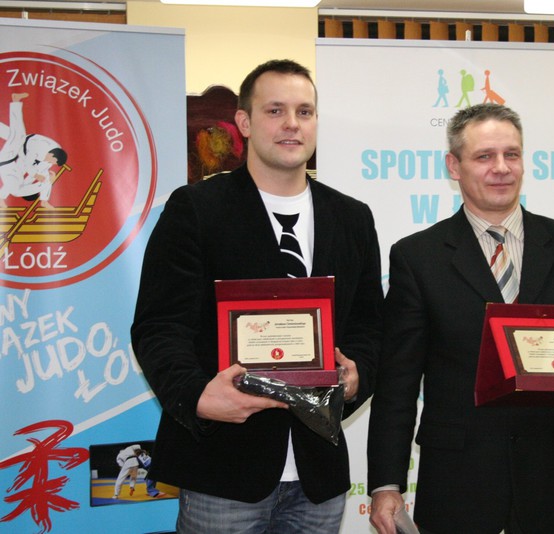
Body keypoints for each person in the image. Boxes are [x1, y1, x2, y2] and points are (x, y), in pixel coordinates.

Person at [131, 59, 383, 533]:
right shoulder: (196, 209)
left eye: (304, 112)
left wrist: (358, 375)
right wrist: (197, 396)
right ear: (244, 122)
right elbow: (159, 326)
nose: (292, 124)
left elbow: (370, 325)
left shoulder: (352, 217)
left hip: (319, 473)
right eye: (275, 110)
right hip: (222, 467)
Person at [367, 103, 554, 534]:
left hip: (551, 479)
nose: (502, 168)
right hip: (458, 482)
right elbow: (398, 381)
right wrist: (386, 483)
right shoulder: (418, 257)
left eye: (512, 154)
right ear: (454, 166)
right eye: (485, 156)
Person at [0, 92, 68, 209]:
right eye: (52, 161)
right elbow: (29, 166)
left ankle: (16, 101)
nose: (50, 163)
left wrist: (46, 182)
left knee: (14, 134)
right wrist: (42, 179)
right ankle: (16, 101)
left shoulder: (52, 156)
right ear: (53, 156)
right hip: (24, 146)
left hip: (13, 157)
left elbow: (36, 174)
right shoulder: (40, 147)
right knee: (17, 135)